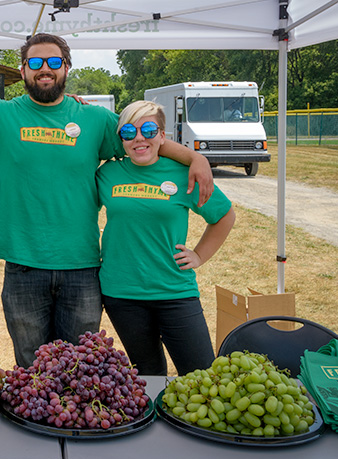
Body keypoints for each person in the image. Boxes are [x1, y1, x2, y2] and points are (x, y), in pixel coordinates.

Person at [0, 34, 214, 368]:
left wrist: (195, 158)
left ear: (66, 68)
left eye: (54, 61)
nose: (44, 68)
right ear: (23, 71)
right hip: (23, 267)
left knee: (79, 367)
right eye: (35, 62)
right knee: (32, 369)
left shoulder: (94, 119)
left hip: (82, 269)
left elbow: (142, 137)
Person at [96, 100, 235, 375]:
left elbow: (224, 216)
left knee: (201, 375)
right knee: (148, 377)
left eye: (148, 130)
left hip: (175, 291)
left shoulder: (185, 174)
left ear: (162, 135)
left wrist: (198, 255)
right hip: (122, 294)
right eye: (128, 132)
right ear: (121, 138)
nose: (139, 138)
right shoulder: (107, 174)